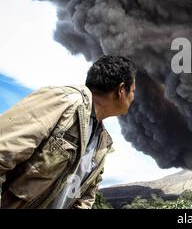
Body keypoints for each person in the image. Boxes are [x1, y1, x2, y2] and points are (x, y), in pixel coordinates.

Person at [0, 55, 136, 208]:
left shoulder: (102, 143)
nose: (133, 97)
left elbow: (85, 197)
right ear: (121, 90)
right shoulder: (63, 102)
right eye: (132, 91)